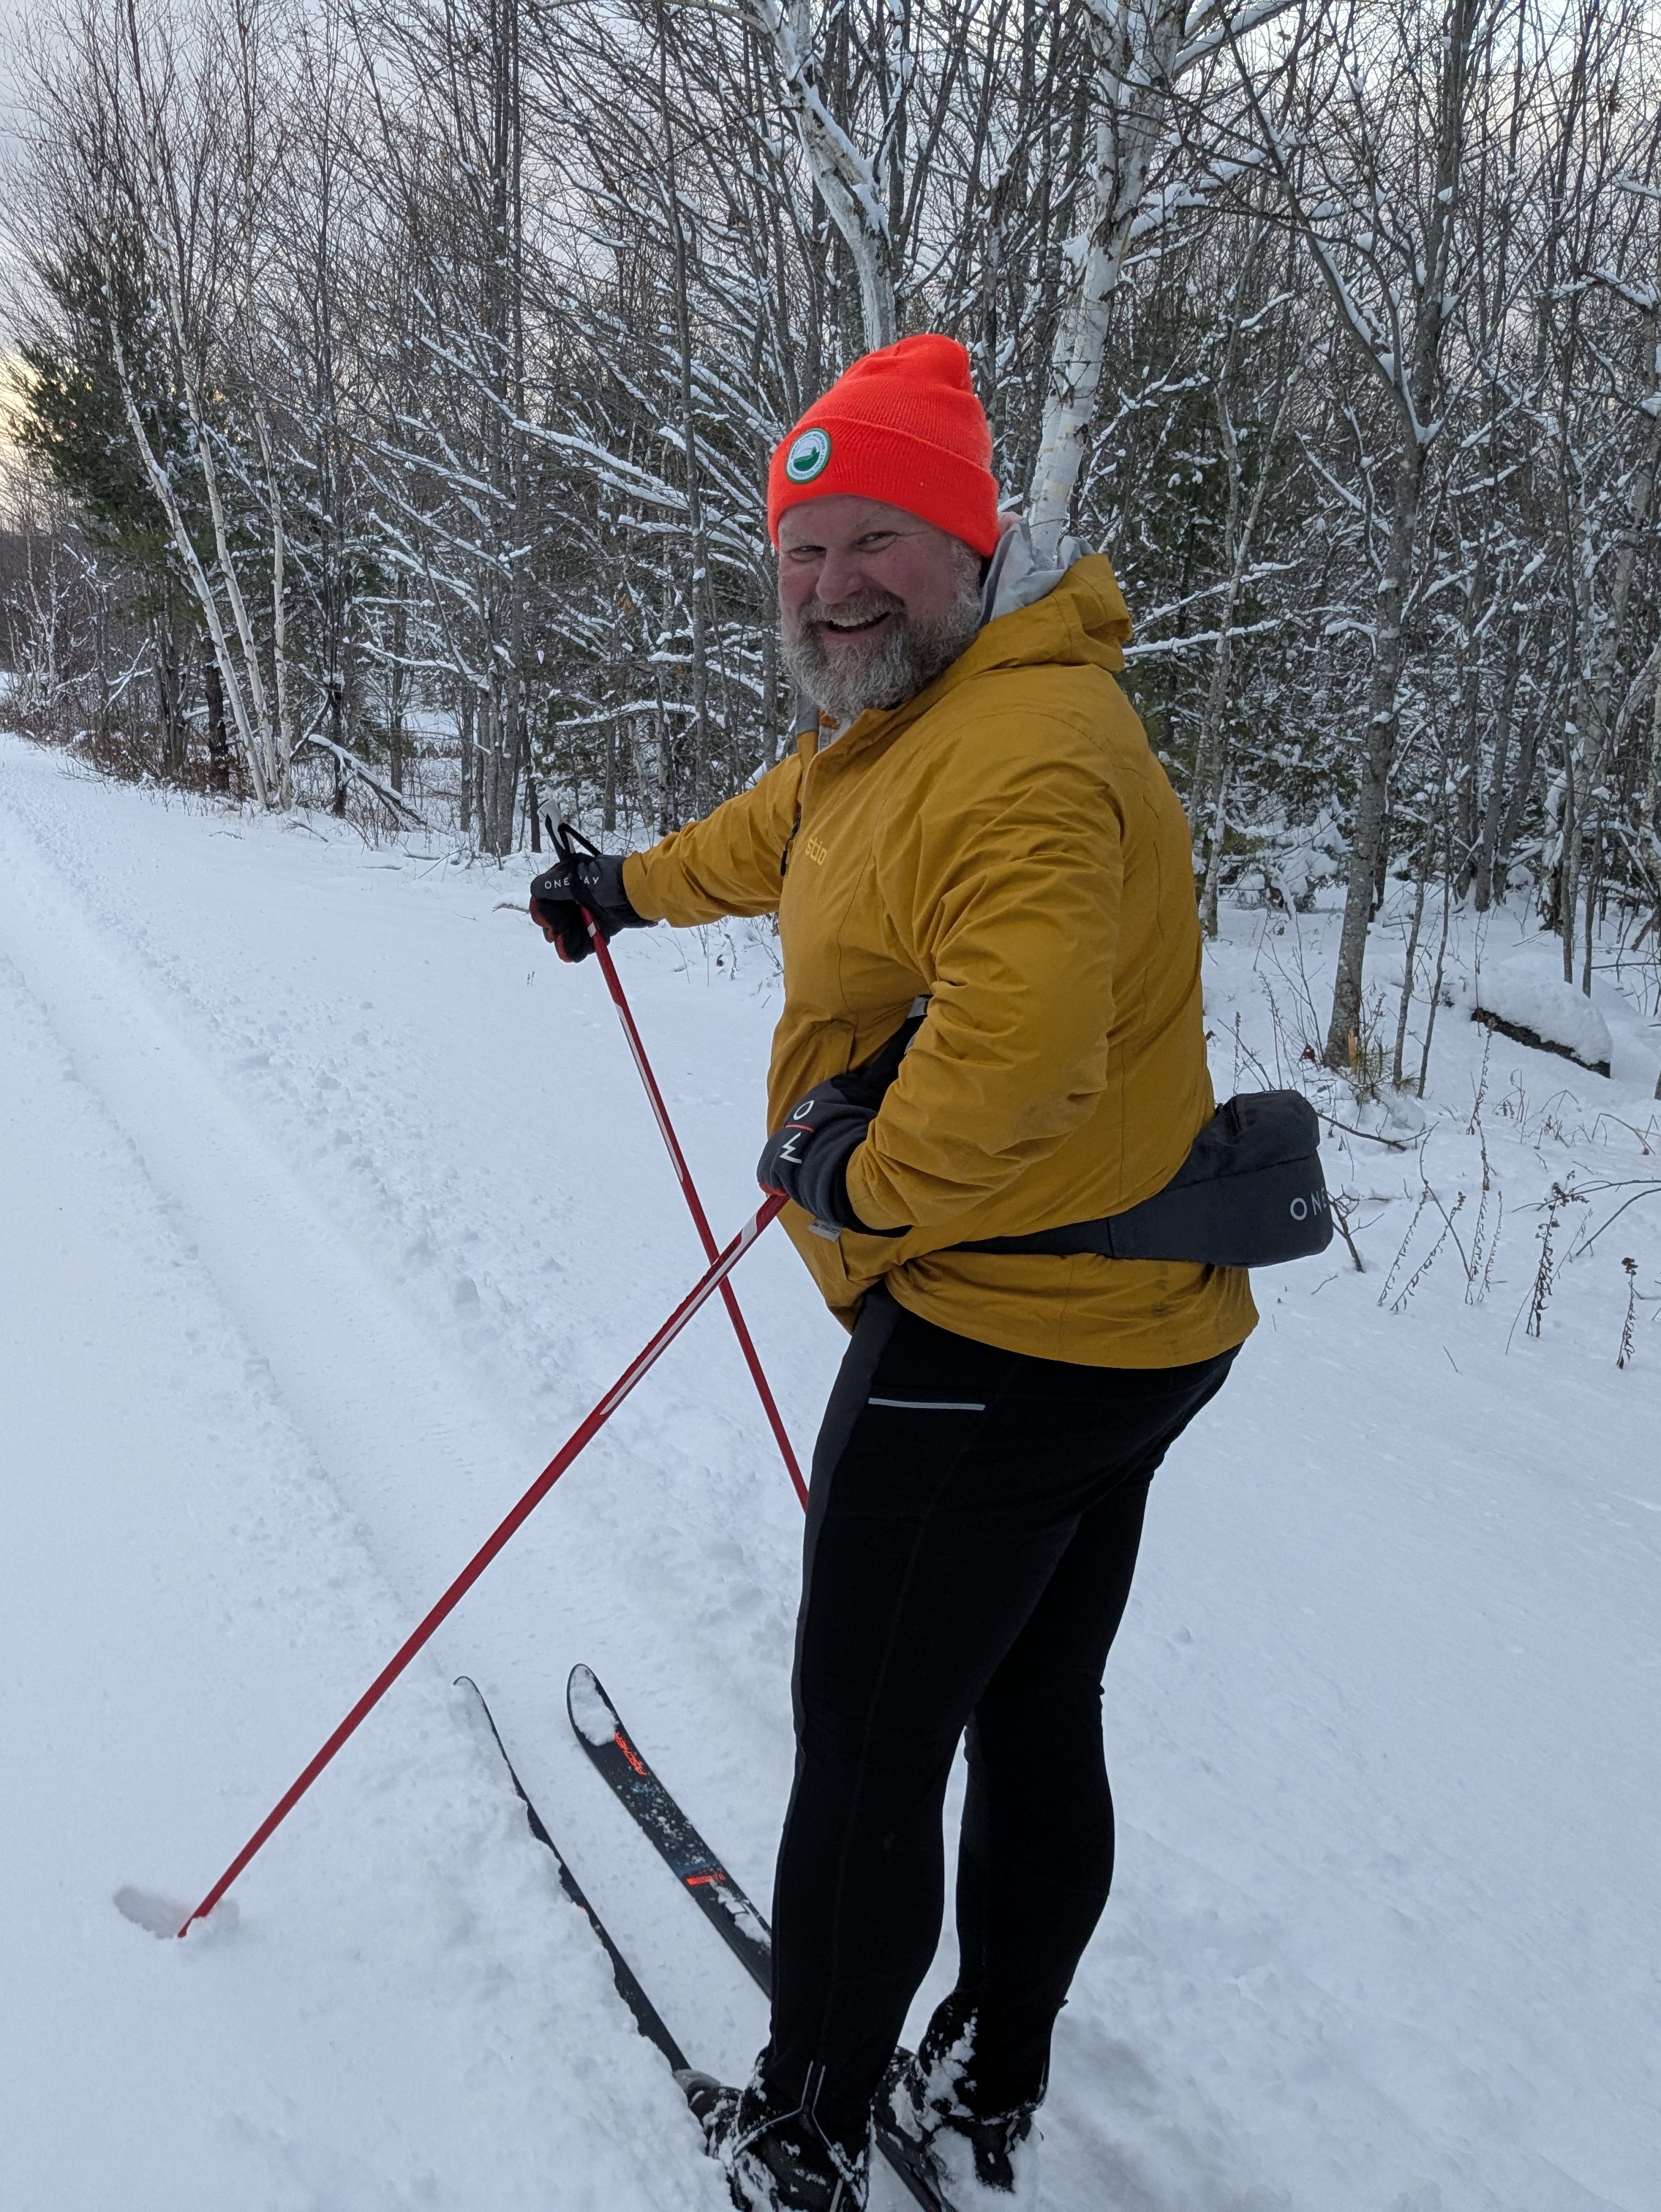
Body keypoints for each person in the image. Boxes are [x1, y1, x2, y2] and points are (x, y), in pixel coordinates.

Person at [528, 335, 1255, 2211]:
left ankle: (806, 2128)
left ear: (968, 545)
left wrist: (852, 1182)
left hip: (997, 1338)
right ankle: (988, 2076)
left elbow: (1016, 1064)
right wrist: (629, 887)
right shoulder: (911, 719)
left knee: (868, 1746)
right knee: (1033, 1701)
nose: (834, 584)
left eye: (878, 541)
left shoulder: (1026, 752)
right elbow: (788, 831)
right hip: (1122, 1326)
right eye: (803, 549)